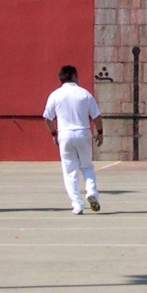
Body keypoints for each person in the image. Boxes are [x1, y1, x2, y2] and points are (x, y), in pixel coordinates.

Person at [42, 65, 104, 214]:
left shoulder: (55, 95)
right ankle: (91, 193)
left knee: (70, 171)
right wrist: (100, 132)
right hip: (83, 132)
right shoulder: (84, 94)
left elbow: (47, 118)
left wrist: (53, 134)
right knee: (87, 166)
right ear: (74, 76)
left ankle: (77, 204)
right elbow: (96, 116)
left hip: (65, 134)